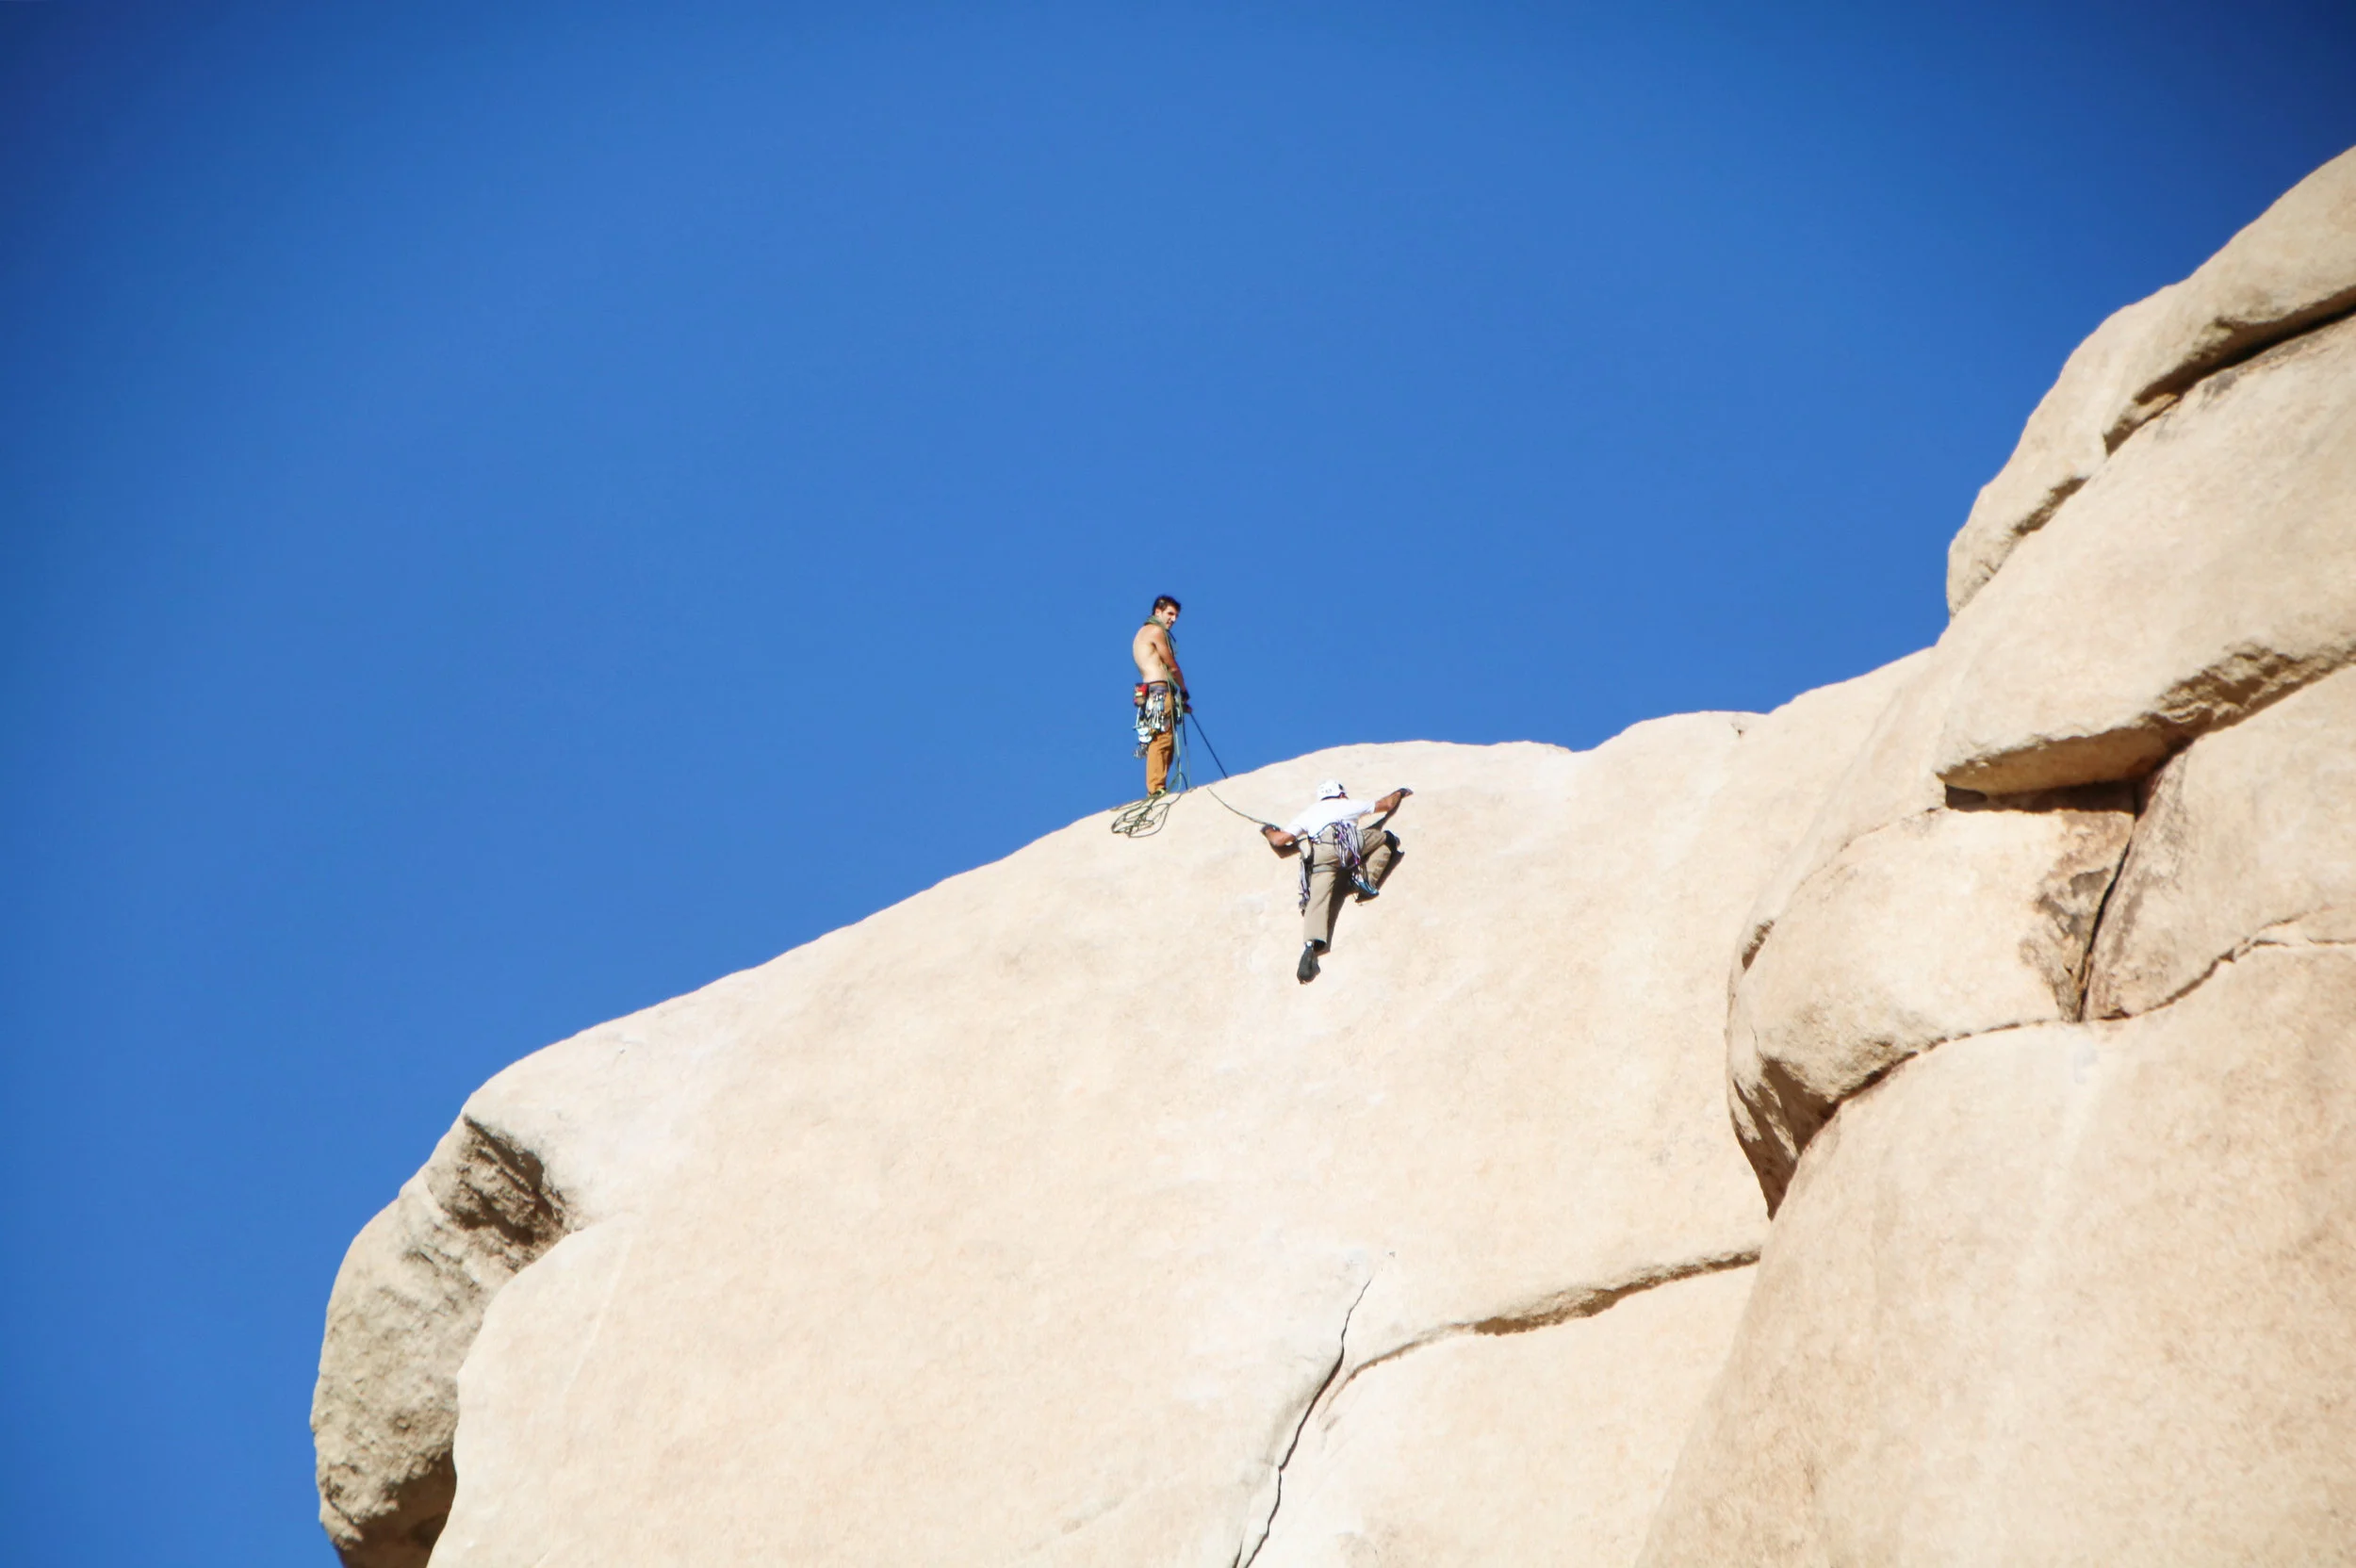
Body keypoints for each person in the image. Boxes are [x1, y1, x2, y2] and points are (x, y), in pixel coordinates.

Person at [1261, 780, 1413, 983]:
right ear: (1340, 794)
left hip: (1320, 853)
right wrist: (1399, 792)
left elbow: (1279, 841)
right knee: (1386, 839)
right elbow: (1386, 804)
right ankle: (1366, 878)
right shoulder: (1347, 804)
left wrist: (1268, 830)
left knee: (1317, 899)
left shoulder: (1309, 812)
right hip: (1347, 844)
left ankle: (1310, 947)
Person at [1131, 596, 1188, 797]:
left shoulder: (1141, 633)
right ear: (1158, 612)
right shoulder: (1156, 631)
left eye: (1176, 616)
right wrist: (1183, 690)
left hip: (1150, 692)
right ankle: (1156, 788)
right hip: (1159, 690)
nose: (1173, 619)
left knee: (1160, 739)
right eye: (1170, 614)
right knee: (1162, 740)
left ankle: (1156, 786)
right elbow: (1171, 666)